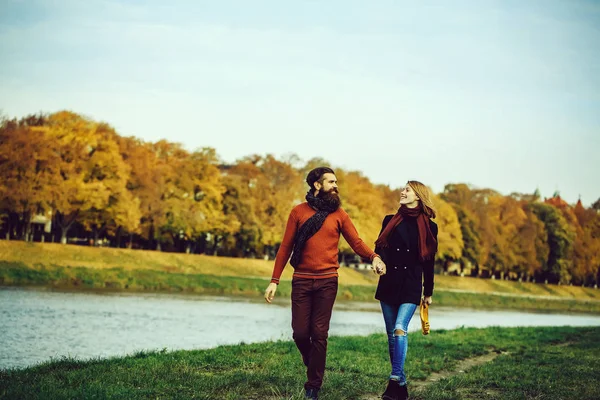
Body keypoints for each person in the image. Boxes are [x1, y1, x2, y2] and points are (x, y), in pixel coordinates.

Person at [264, 166, 386, 400]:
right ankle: (314, 364)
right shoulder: (298, 212)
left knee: (319, 333)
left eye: (335, 181)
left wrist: (374, 256)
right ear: (316, 185)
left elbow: (356, 242)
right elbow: (285, 247)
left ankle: (313, 386)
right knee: (300, 333)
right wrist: (274, 280)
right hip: (301, 280)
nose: (335, 185)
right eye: (330, 181)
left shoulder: (339, 214)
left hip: (327, 281)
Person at [374, 180, 438, 400]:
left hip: (411, 285)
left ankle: (394, 379)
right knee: (392, 336)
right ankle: (401, 384)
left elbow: (429, 261)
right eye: (403, 189)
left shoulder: (430, 226)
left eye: (407, 190)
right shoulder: (389, 221)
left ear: (418, 196)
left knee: (400, 329)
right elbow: (378, 250)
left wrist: (428, 292)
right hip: (389, 283)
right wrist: (378, 262)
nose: (402, 192)